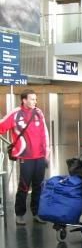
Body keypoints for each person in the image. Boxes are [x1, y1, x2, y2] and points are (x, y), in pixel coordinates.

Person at [0, 89, 49, 225]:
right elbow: (1, 126)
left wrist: (47, 153)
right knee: (24, 186)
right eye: (32, 99)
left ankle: (37, 212)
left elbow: (45, 133)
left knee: (38, 186)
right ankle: (20, 214)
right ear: (24, 100)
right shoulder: (15, 113)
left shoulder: (38, 112)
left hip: (40, 156)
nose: (35, 101)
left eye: (35, 99)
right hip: (25, 157)